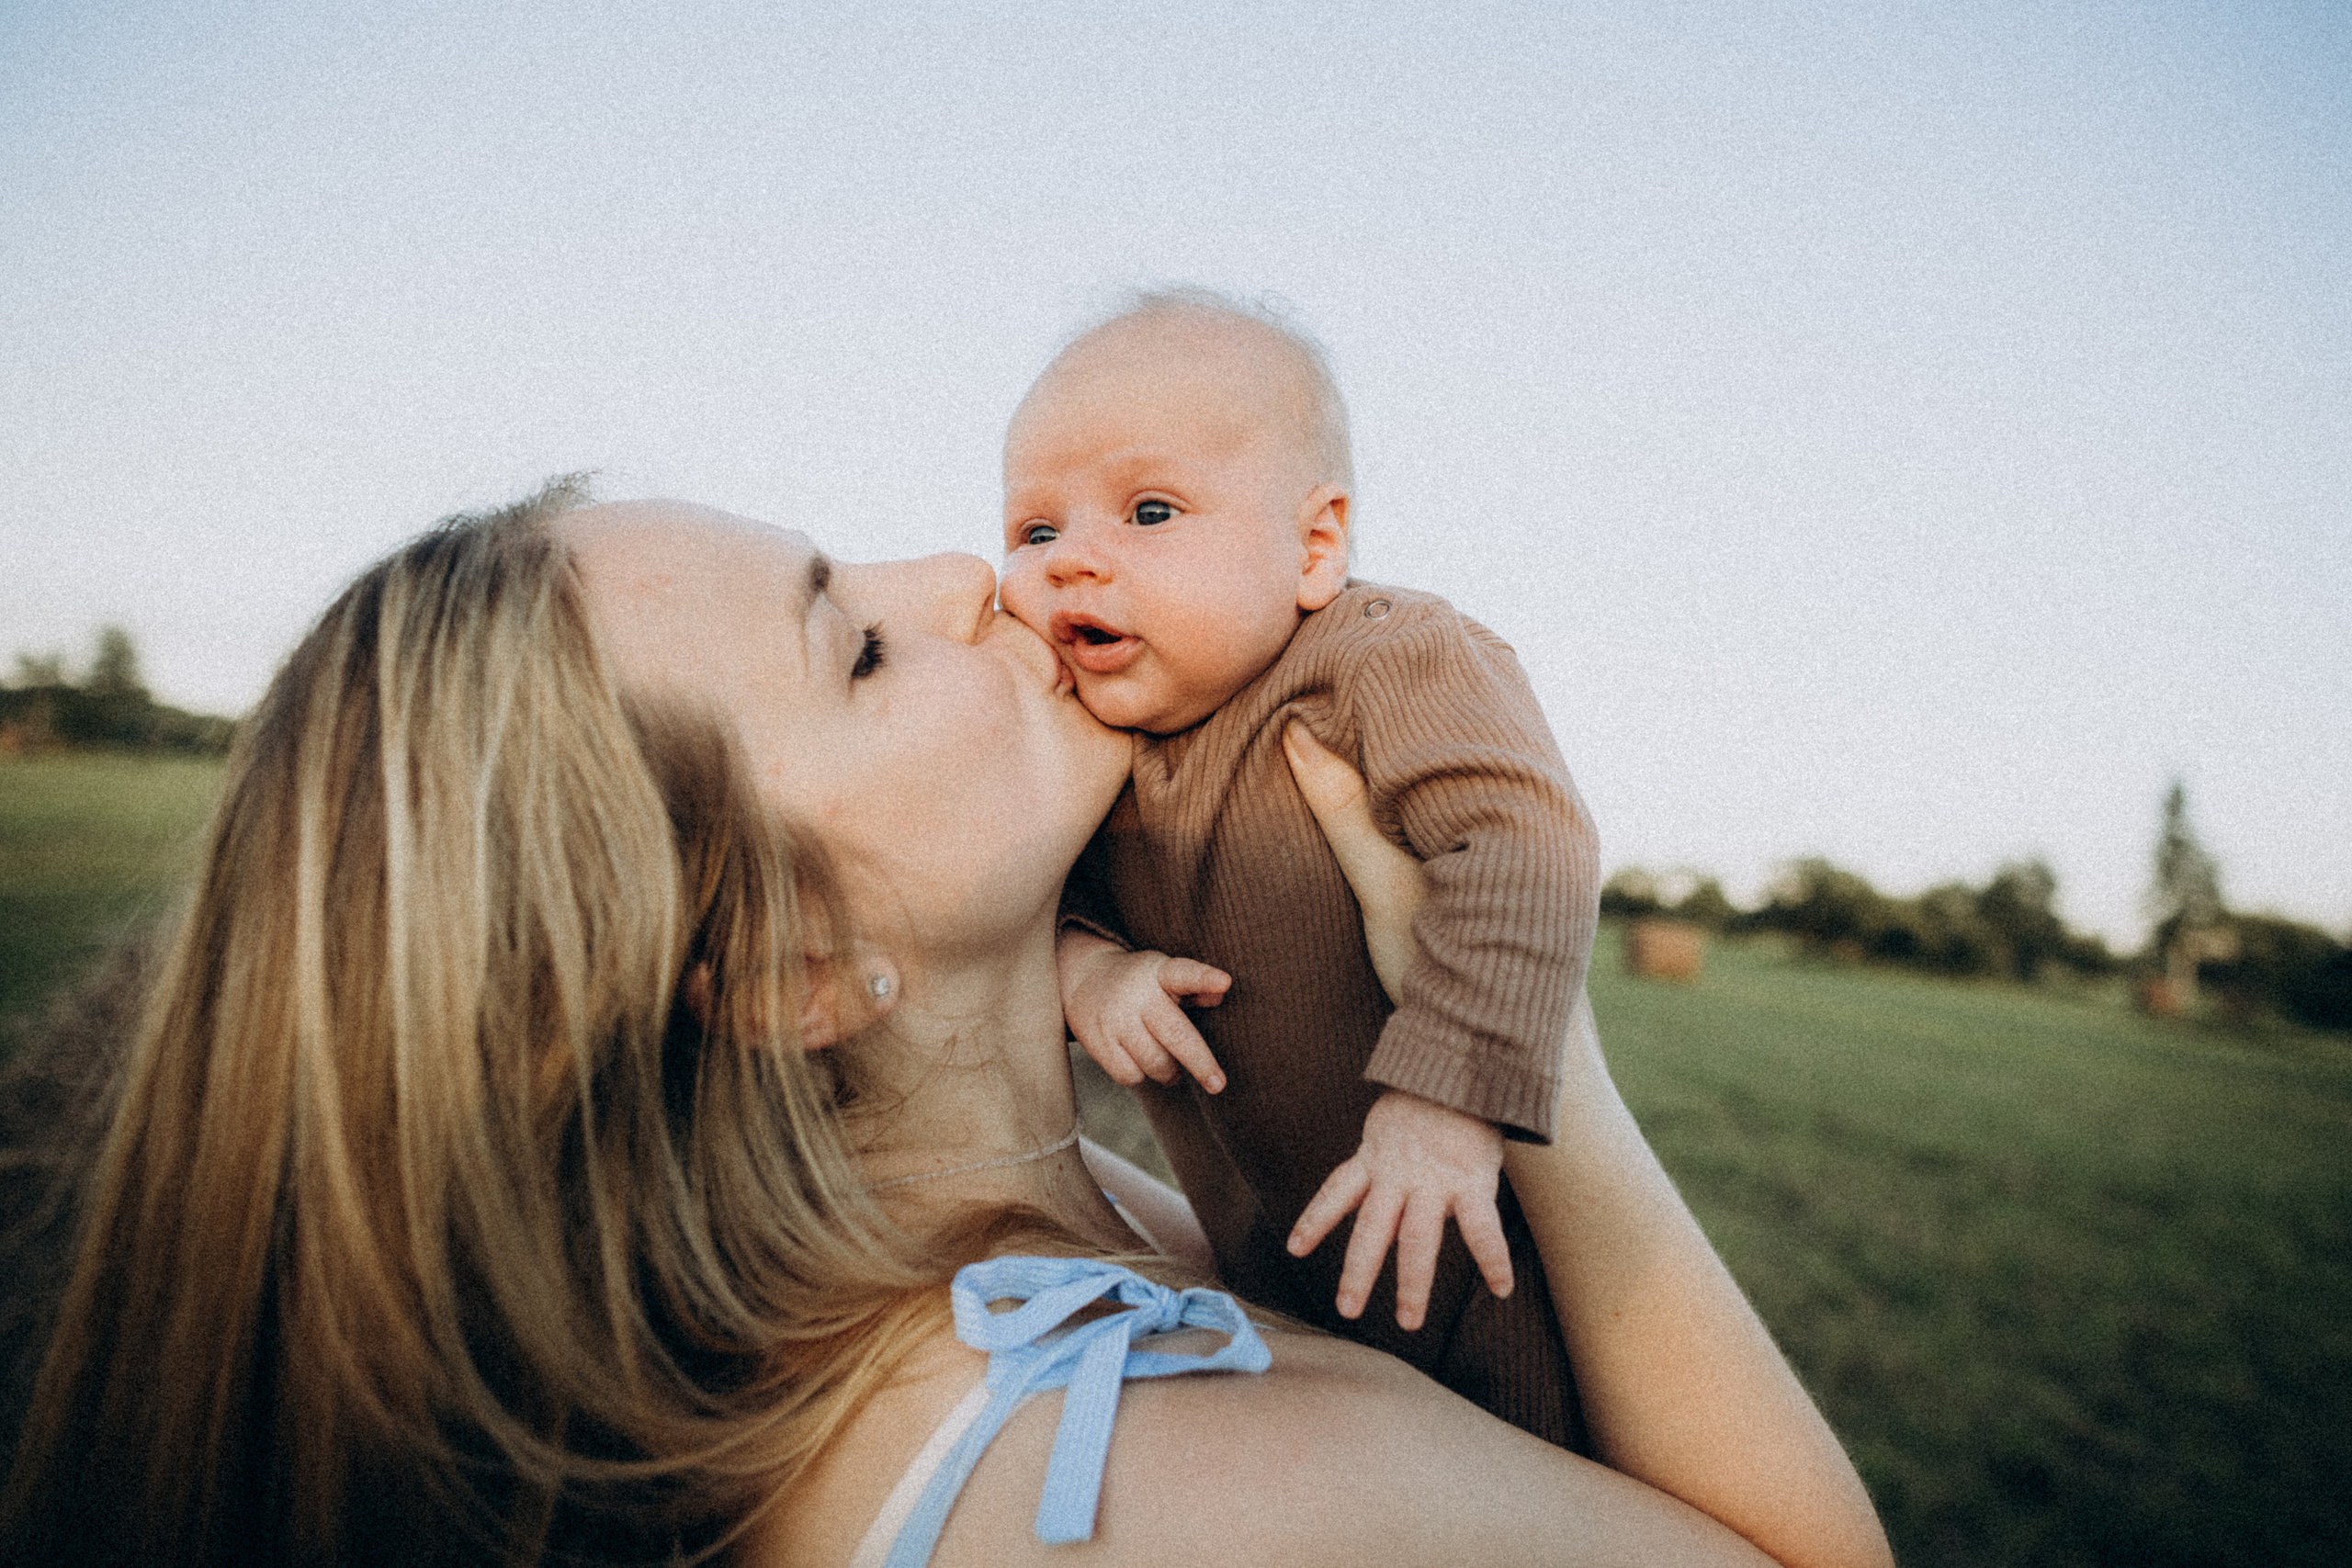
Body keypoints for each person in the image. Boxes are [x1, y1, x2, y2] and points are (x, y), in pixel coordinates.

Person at [1, 483, 1891, 1567]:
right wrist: (1523, 1043)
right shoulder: (1219, 1500)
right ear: (787, 969)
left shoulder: (1071, 1263)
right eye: (862, 648)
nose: (964, 577)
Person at [999, 289, 1599, 1444]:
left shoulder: (1386, 657)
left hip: (1475, 1233)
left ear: (1315, 546)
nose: (1072, 560)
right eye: (1034, 531)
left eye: (1149, 510)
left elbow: (1522, 843)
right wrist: (1089, 973)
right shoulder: (1092, 736)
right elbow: (1022, 897)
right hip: (1279, 1279)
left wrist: (1442, 1104)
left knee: (1528, 1456)